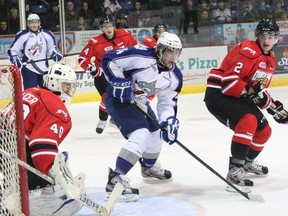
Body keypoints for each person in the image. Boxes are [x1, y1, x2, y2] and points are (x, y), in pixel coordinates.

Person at [204, 19, 288, 193]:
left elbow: (258, 90)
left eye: (271, 37)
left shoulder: (270, 59)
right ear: (258, 36)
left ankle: (248, 162)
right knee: (248, 121)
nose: (267, 41)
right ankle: (235, 170)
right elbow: (228, 83)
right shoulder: (248, 50)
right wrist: (255, 94)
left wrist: (275, 109)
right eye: (264, 36)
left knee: (264, 131)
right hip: (219, 94)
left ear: (276, 39)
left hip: (239, 95)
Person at [101, 32, 183, 201]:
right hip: (119, 98)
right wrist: (118, 80)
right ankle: (115, 179)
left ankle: (148, 166)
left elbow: (167, 103)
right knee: (141, 134)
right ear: (160, 50)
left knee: (157, 131)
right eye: (169, 51)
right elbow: (109, 59)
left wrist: (168, 121)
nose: (173, 56)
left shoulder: (174, 77)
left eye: (176, 52)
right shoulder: (141, 55)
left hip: (140, 103)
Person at [0, 64, 85, 215]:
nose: (69, 90)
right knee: (45, 176)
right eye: (66, 85)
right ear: (54, 83)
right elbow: (41, 146)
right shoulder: (56, 106)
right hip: (10, 148)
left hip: (5, 144)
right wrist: (54, 177)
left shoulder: (30, 91)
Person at [78, 17, 137, 134]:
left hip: (120, 72)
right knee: (107, 97)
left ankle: (115, 119)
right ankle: (102, 119)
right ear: (101, 29)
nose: (108, 29)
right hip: (102, 73)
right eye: (105, 27)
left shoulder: (125, 35)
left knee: (126, 97)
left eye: (110, 26)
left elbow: (135, 49)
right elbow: (82, 58)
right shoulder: (95, 42)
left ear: (114, 26)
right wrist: (91, 67)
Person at [7, 13, 63, 90]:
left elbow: (51, 48)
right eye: (32, 22)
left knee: (46, 93)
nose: (34, 24)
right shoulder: (22, 35)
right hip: (28, 69)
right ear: (28, 24)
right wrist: (15, 58)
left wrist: (54, 54)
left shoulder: (47, 34)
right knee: (31, 92)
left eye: (36, 22)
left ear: (39, 23)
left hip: (44, 69)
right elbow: (12, 50)